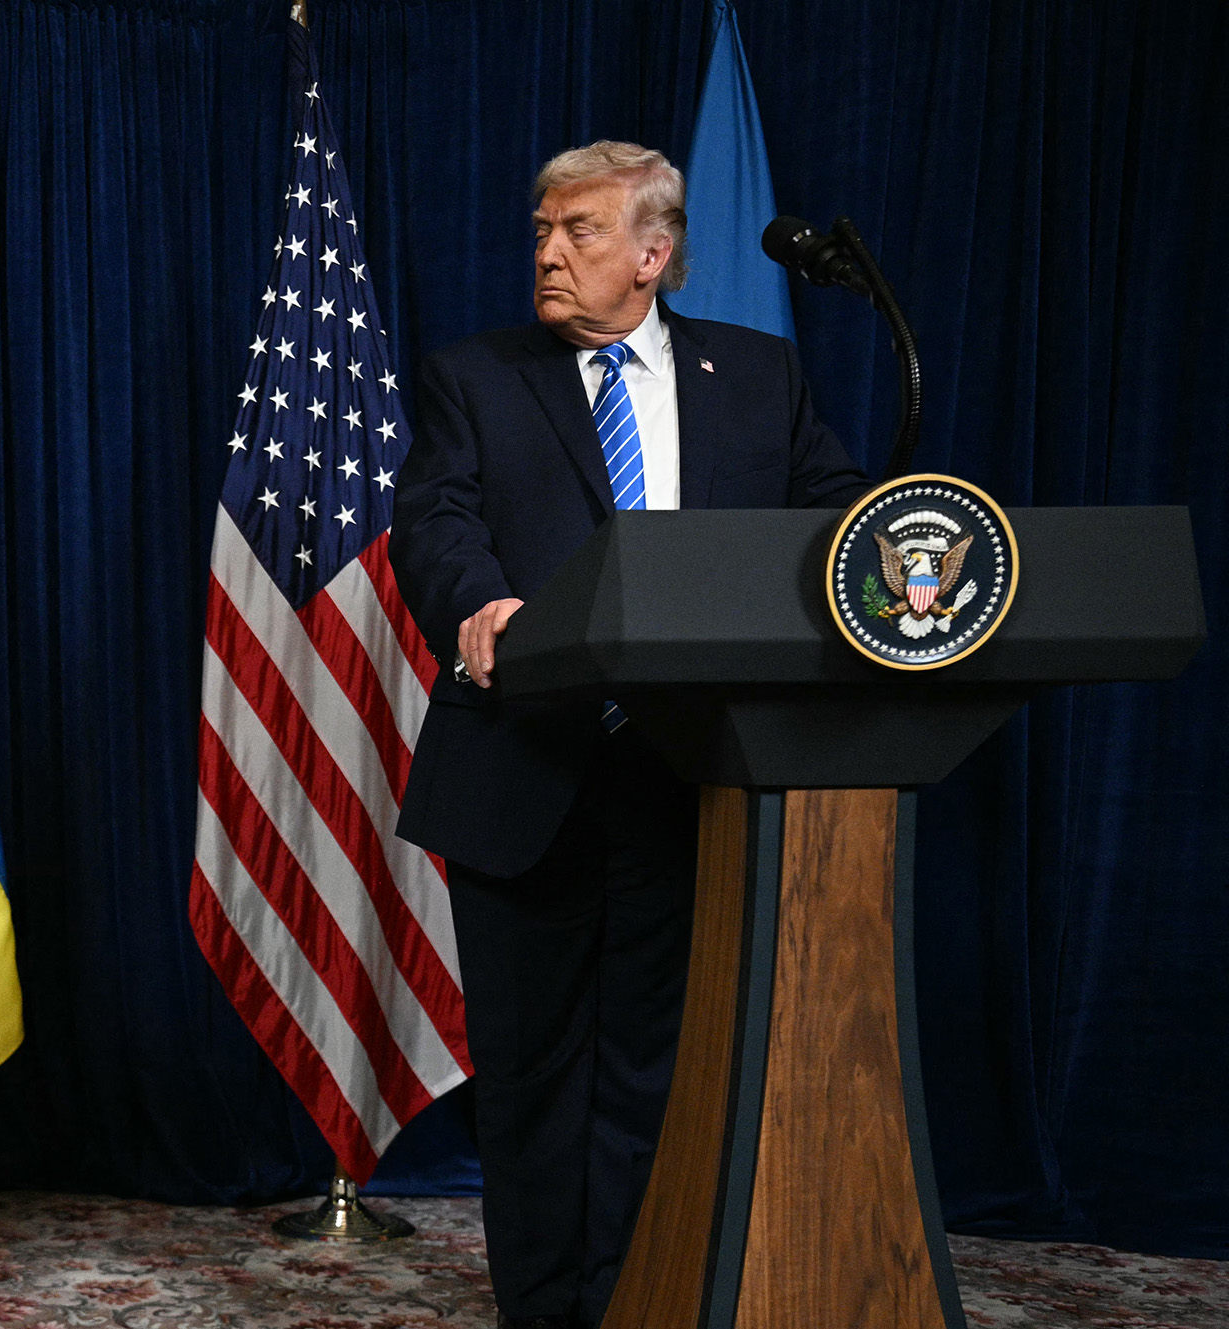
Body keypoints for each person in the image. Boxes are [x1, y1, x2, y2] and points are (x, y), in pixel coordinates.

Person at [390, 143, 869, 1329]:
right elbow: (433, 519)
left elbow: (829, 527)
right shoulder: (475, 376)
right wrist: (477, 604)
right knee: (532, 1070)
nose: (550, 253)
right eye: (543, 230)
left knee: (662, 1062)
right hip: (525, 768)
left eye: (582, 232)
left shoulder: (758, 377)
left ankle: (640, 1298)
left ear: (653, 255)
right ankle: (546, 1311)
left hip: (694, 771)